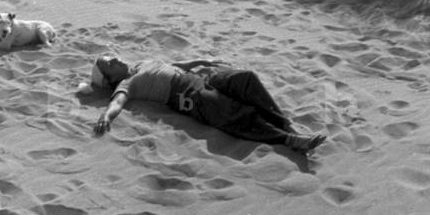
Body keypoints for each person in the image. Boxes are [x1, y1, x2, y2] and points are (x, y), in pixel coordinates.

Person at [79, 55, 327, 153]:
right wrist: (107, 117)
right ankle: (289, 140)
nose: (115, 57)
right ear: (110, 78)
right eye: (109, 62)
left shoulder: (143, 62)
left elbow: (175, 66)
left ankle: (286, 125)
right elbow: (118, 103)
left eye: (111, 56)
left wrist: (199, 61)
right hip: (187, 95)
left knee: (246, 79)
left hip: (200, 77)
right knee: (232, 111)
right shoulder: (127, 84)